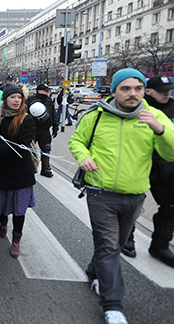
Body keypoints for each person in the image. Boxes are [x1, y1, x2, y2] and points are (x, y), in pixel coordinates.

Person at [69, 68, 174, 324]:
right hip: (100, 193)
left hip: (136, 196)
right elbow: (76, 141)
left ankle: (95, 273)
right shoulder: (96, 115)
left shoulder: (154, 116)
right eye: (125, 88)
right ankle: (112, 304)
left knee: (114, 245)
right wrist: (84, 158)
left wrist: (160, 130)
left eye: (138, 88)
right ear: (114, 90)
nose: (132, 94)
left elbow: (171, 154)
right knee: (108, 246)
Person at [120, 75, 174, 267]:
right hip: (138, 163)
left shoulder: (171, 107)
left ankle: (160, 245)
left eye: (169, 90)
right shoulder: (134, 107)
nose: (166, 94)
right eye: (162, 91)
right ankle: (127, 238)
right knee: (130, 204)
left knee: (170, 207)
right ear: (148, 91)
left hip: (166, 166)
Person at [0, 84, 36, 258]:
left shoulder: (26, 119)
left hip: (20, 173)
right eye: (12, 97)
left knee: (19, 210)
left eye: (19, 97)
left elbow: (22, 146)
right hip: (1, 170)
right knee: (2, 207)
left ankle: (16, 240)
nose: (16, 101)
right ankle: (2, 223)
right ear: (5, 100)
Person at [26, 83, 58, 177]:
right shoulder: (31, 100)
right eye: (45, 90)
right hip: (32, 129)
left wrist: (55, 126)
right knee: (30, 149)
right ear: (39, 91)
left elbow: (53, 114)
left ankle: (45, 168)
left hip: (44, 129)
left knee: (46, 148)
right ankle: (30, 168)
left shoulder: (49, 100)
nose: (47, 92)